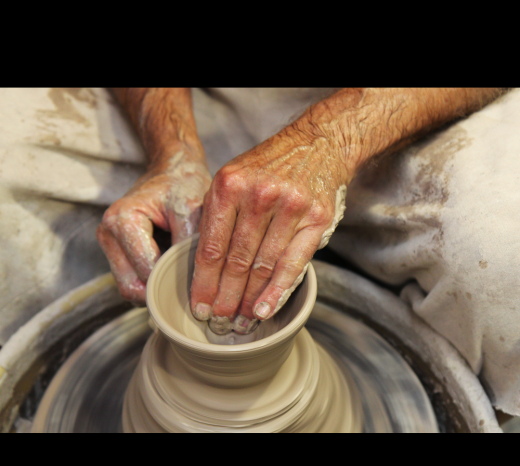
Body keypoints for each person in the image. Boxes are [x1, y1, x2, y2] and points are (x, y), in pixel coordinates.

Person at [2, 88, 520, 415]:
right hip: (202, 102)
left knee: (499, 263)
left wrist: (328, 141)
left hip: (406, 109)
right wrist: (172, 150)